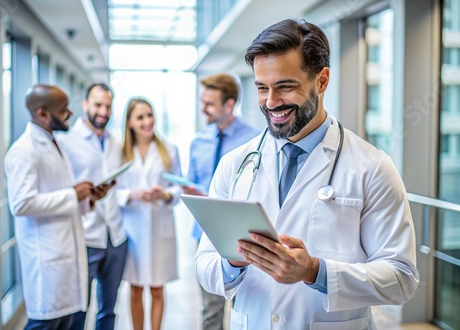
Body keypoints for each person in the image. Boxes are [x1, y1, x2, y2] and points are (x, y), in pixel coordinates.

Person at [195, 19, 420, 329]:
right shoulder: (236, 164)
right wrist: (234, 261)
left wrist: (315, 272)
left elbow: (401, 278)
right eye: (262, 88)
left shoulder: (372, 167)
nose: (271, 102)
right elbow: (203, 265)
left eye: (285, 86)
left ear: (322, 81)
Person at [4, 84, 113, 330]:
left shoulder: (54, 142)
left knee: (66, 322)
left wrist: (89, 197)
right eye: (63, 109)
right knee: (44, 323)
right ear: (42, 113)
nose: (71, 113)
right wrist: (73, 194)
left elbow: (59, 194)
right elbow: (21, 204)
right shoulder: (24, 151)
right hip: (47, 259)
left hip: (66, 253)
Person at [183, 73, 260, 330]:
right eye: (202, 101)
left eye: (209, 103)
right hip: (205, 231)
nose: (203, 108)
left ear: (229, 105)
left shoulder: (255, 141)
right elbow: (191, 179)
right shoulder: (199, 140)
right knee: (210, 308)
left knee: (246, 305)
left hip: (242, 232)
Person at [58, 83, 128, 330]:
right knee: (79, 311)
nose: (103, 111)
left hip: (116, 237)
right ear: (85, 104)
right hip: (86, 237)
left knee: (108, 310)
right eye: (98, 105)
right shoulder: (67, 141)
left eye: (108, 106)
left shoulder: (116, 141)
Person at [116, 97, 182, 330]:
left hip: (159, 226)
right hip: (132, 228)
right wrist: (133, 195)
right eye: (140, 117)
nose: (147, 121)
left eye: (149, 115)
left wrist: (164, 195)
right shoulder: (121, 152)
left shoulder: (169, 150)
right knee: (135, 289)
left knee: (156, 287)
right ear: (130, 123)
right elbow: (112, 190)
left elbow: (178, 188)